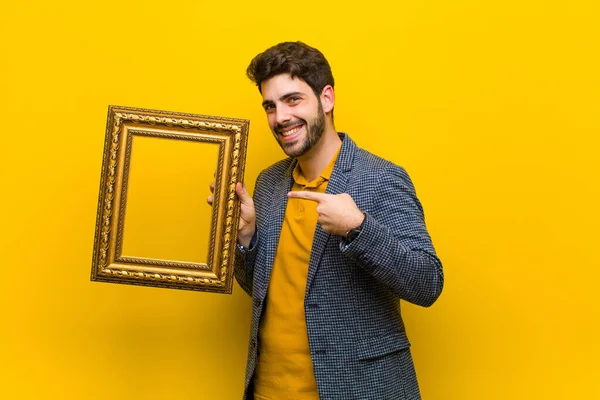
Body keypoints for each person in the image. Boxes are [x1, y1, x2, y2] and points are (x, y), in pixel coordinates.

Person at [208, 41, 444, 400]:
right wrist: (246, 239)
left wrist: (358, 228)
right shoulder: (269, 183)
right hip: (269, 390)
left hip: (358, 390)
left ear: (327, 99)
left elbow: (427, 282)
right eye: (270, 106)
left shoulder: (381, 177)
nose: (280, 117)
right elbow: (262, 293)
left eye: (293, 100)